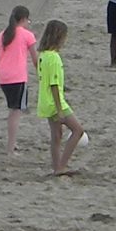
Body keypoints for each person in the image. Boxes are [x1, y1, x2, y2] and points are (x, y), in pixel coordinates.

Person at [36, 18, 84, 174]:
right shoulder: (54, 58)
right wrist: (59, 109)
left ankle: (57, 166)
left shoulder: (43, 55)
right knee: (77, 131)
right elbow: (54, 85)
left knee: (56, 136)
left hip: (44, 101)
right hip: (55, 103)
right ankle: (61, 166)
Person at [0, 6, 38, 155]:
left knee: (13, 109)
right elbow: (36, 60)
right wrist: (42, 75)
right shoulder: (27, 35)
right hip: (17, 77)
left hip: (3, 77)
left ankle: (13, 143)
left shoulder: (2, 35)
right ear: (23, 19)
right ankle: (10, 148)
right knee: (15, 112)